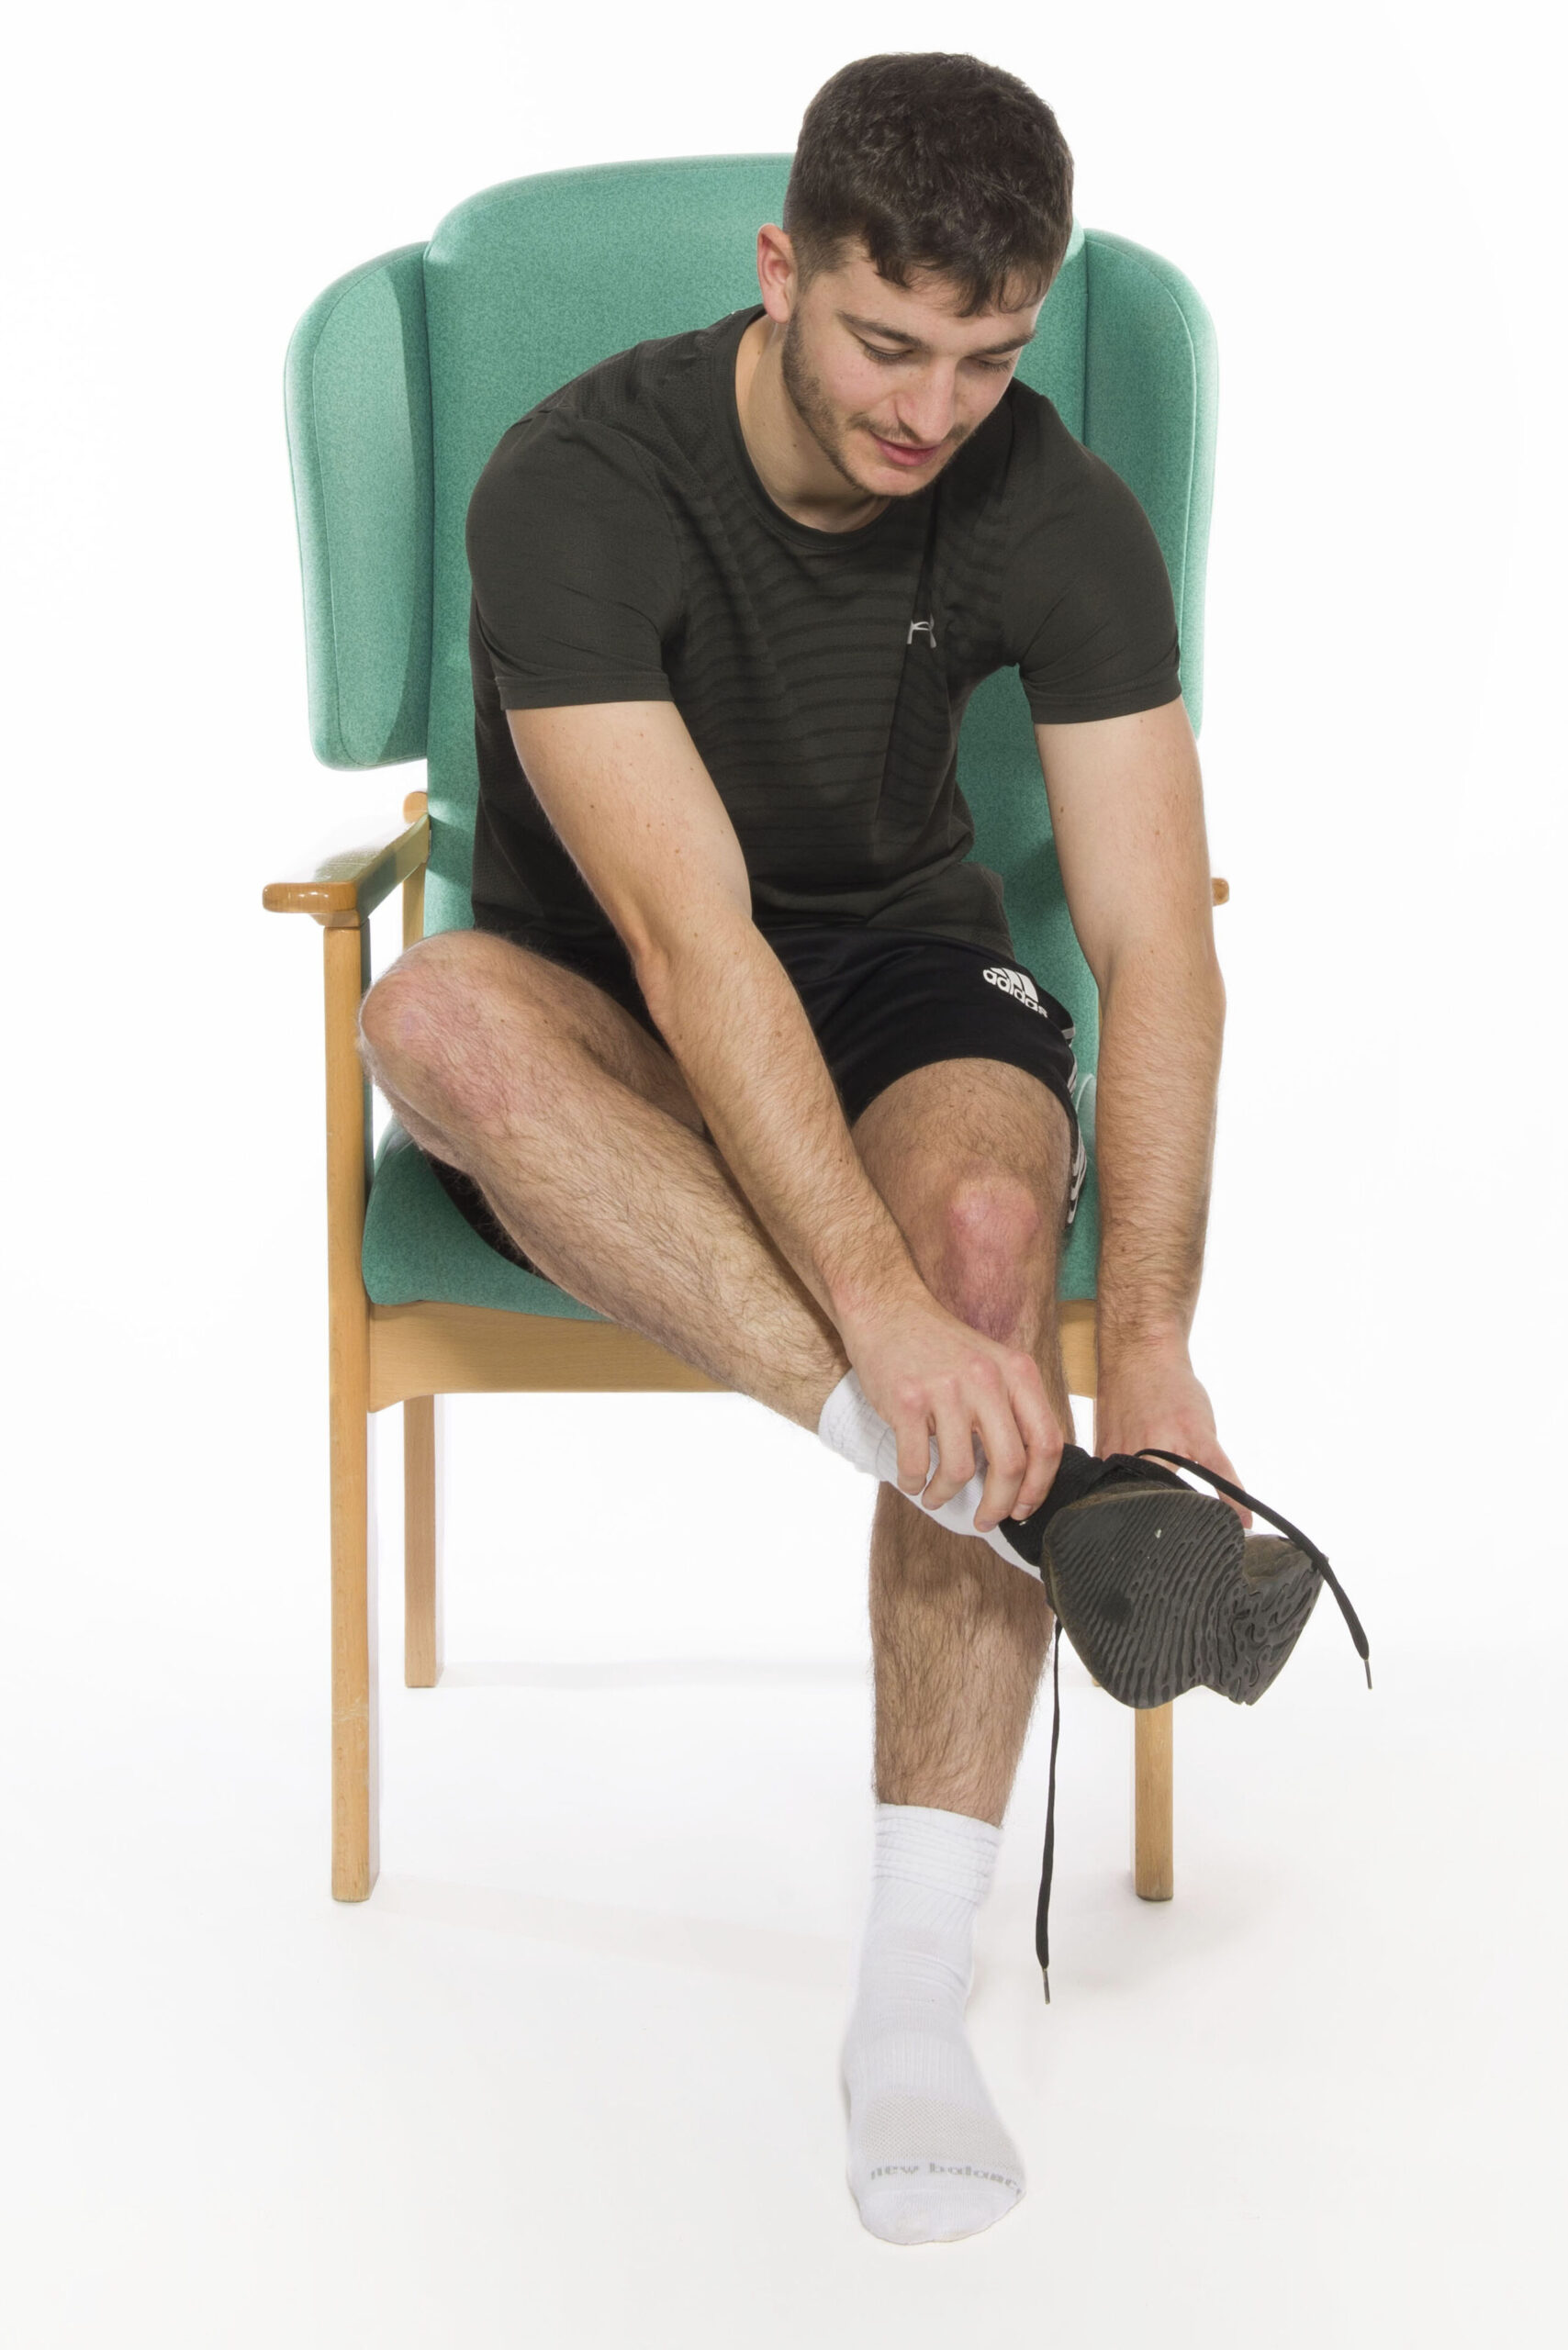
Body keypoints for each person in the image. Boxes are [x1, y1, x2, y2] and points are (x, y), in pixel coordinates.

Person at [359, 50, 1239, 2247]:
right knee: (428, 1008)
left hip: (906, 977)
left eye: (982, 354)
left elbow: (1155, 934)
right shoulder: (574, 484)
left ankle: (907, 1989)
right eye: (881, 340)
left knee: (971, 1224)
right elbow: (688, 939)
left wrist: (1141, 1345)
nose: (928, 406)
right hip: (635, 1001)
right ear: (779, 267)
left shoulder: (1049, 502)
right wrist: (867, 1329)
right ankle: (941, 1452)